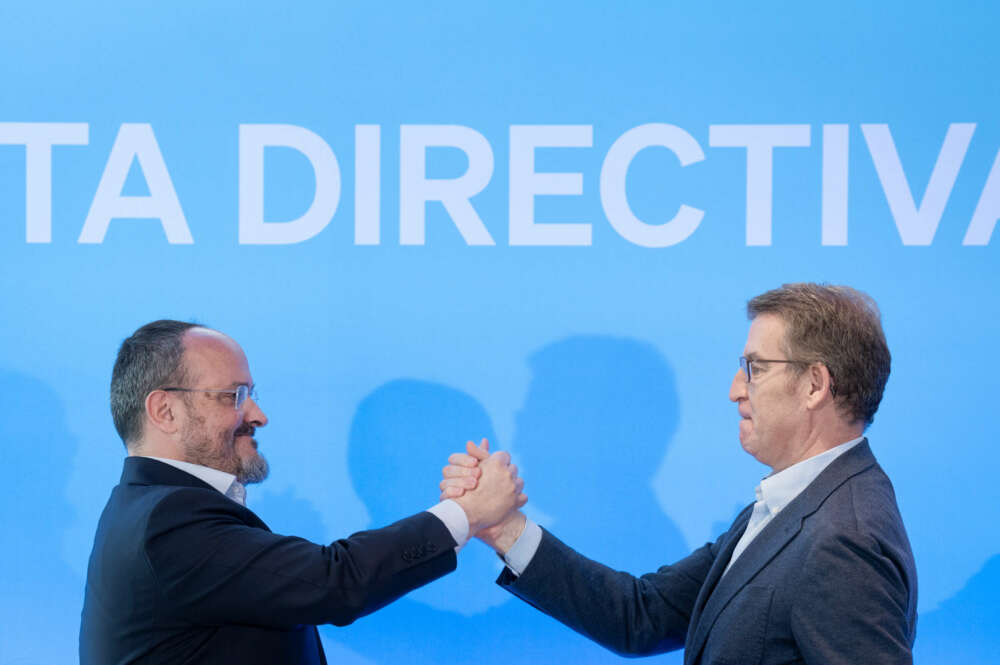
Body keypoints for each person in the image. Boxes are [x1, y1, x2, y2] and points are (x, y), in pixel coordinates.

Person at [442, 283, 918, 665]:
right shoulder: (790, 505)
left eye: (755, 368)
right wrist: (503, 528)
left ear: (815, 385)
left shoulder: (844, 538)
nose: (736, 390)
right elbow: (642, 616)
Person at [80, 320, 526, 665]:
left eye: (251, 394)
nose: (258, 414)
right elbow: (336, 581)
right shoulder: (168, 521)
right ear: (165, 411)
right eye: (233, 396)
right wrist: (466, 512)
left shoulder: (144, 509)